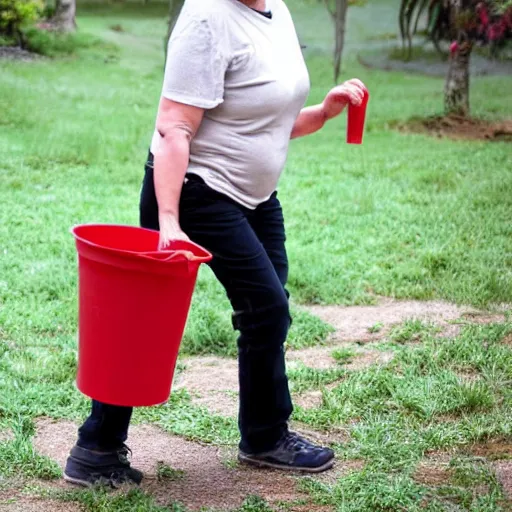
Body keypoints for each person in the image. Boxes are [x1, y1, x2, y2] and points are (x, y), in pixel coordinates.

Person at [63, 0, 366, 487]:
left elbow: (267, 120)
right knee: (147, 319)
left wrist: (324, 112)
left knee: (268, 311)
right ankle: (95, 450)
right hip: (195, 192)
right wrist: (169, 220)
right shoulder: (206, 17)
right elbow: (174, 127)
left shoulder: (277, 13)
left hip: (257, 198)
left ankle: (264, 436)